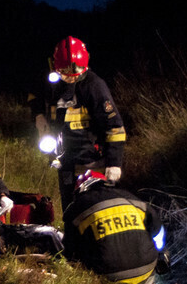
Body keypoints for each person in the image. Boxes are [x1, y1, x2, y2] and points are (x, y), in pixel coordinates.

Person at [30, 36, 126, 211]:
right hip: (65, 163)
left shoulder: (94, 86)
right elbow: (34, 95)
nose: (71, 78)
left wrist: (114, 163)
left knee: (95, 210)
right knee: (70, 212)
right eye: (65, 73)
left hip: (93, 164)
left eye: (77, 74)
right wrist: (38, 116)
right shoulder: (50, 82)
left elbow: (115, 127)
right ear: (55, 66)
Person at [62, 170, 168, 284]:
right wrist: (161, 251)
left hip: (109, 274)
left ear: (80, 189)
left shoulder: (76, 208)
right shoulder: (130, 198)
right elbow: (158, 231)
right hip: (146, 266)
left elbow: (69, 251)